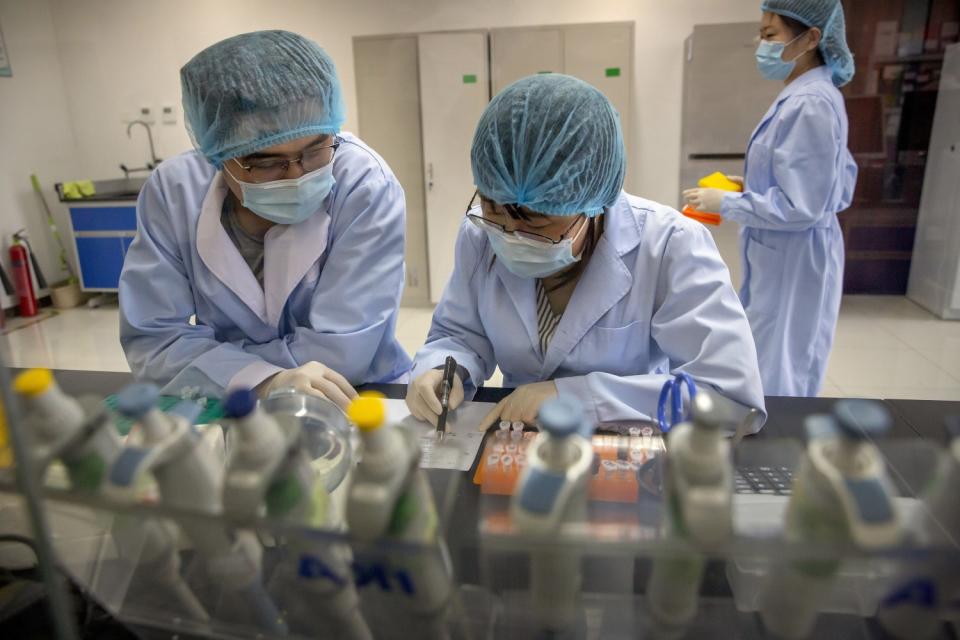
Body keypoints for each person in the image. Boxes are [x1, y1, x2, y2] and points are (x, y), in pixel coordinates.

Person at [406, 74, 766, 432]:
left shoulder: (670, 245)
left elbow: (728, 396)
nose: (511, 236)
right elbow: (460, 333)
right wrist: (443, 367)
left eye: (535, 220)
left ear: (591, 203)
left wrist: (579, 398)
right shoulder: (479, 235)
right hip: (517, 437)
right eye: (493, 209)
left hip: (628, 439)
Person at [119, 30, 411, 407]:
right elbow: (153, 341)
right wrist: (265, 381)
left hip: (358, 396)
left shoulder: (365, 184)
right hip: (234, 406)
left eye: (315, 149)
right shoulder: (174, 192)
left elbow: (342, 352)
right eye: (267, 162)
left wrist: (218, 365)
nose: (297, 175)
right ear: (216, 152)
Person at [683, 0, 857, 397]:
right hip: (782, 255)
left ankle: (774, 450)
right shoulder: (805, 95)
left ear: (811, 37)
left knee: (781, 369)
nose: (761, 45)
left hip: (795, 262)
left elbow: (805, 206)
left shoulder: (811, 103)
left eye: (770, 35)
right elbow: (831, 183)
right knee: (768, 356)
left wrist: (726, 204)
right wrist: (750, 184)